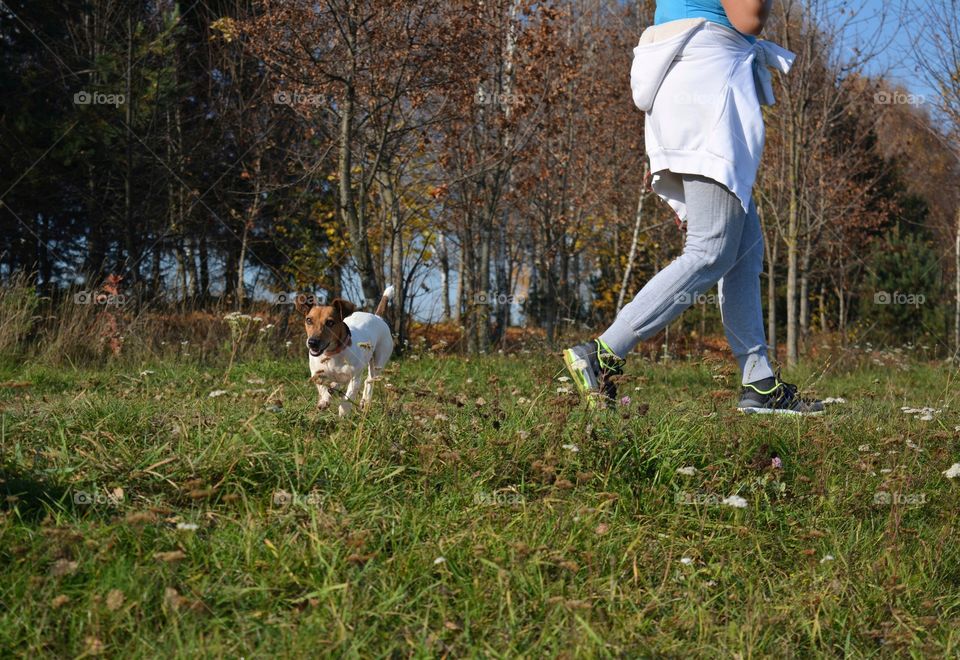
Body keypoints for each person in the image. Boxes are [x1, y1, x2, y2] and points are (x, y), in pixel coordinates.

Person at [563, 0, 823, 415]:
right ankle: (602, 353)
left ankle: (759, 383)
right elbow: (749, 17)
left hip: (693, 81)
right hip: (706, 86)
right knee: (711, 248)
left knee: (742, 248)